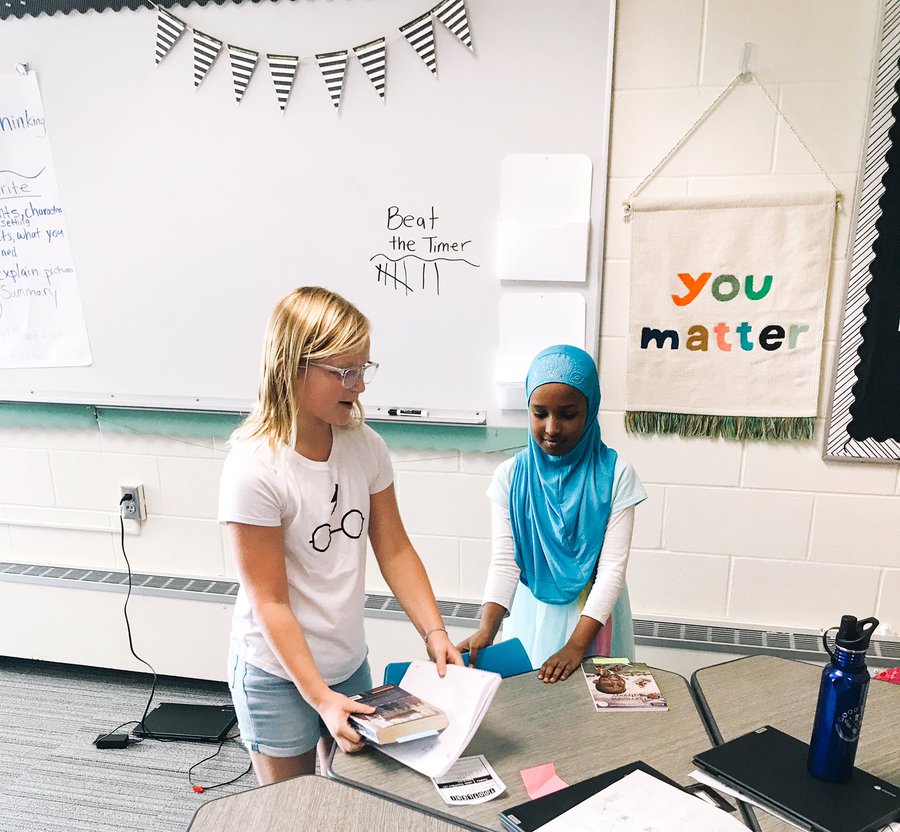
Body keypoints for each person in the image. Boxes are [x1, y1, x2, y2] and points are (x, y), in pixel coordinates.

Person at [219, 286, 462, 784]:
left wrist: (434, 632)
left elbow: (394, 548)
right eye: (344, 372)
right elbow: (270, 601)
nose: (360, 386)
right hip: (277, 671)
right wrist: (318, 695)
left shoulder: (365, 446)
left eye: (364, 369)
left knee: (352, 802)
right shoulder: (255, 468)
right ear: (293, 367)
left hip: (348, 661)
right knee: (290, 813)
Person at [458, 344, 646, 682]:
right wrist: (487, 629)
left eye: (568, 414)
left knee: (594, 710)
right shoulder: (510, 476)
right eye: (539, 413)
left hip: (594, 617)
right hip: (534, 611)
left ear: (590, 411)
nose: (552, 428)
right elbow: (505, 561)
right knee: (533, 706)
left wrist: (576, 646)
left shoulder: (616, 474)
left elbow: (611, 573)